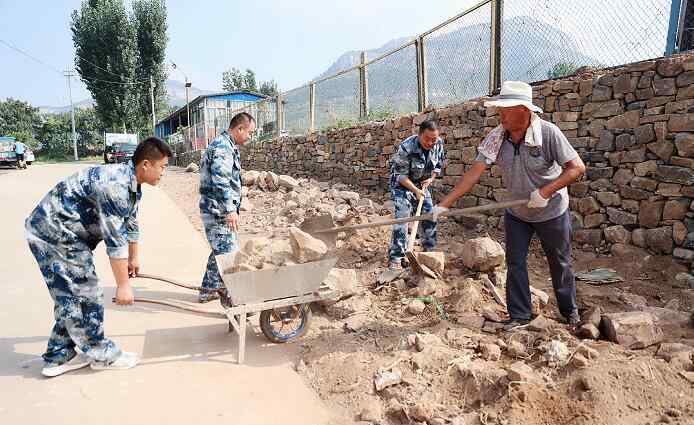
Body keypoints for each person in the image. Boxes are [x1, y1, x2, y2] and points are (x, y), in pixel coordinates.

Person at [433, 81, 586, 330]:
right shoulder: (497, 137)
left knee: (560, 262)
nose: (500, 114)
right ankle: (520, 315)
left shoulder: (548, 133)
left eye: (507, 109)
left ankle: (570, 312)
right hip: (518, 213)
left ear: (525, 111)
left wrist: (546, 191)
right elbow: (473, 174)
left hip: (551, 211)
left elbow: (577, 168)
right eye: (500, 108)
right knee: (515, 263)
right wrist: (444, 206)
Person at [25, 136, 172, 377]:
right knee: (86, 292)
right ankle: (101, 354)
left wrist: (134, 258)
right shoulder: (115, 186)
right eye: (162, 167)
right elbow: (115, 241)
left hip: (68, 234)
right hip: (53, 234)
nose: (163, 173)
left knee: (71, 294)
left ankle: (59, 354)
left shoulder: (132, 184)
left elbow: (131, 223)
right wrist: (123, 286)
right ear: (146, 164)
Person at [198, 112, 256, 303]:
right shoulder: (223, 147)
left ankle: (208, 290)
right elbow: (221, 181)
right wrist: (230, 210)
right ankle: (235, 299)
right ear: (239, 129)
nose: (249, 137)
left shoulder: (226, 144)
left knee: (220, 249)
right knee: (228, 253)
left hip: (215, 209)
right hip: (217, 211)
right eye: (249, 132)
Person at [387, 119, 446, 270]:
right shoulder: (407, 147)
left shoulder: (438, 143)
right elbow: (400, 175)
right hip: (402, 184)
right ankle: (396, 257)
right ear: (419, 134)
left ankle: (429, 252)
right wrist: (416, 191)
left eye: (434, 139)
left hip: (422, 184)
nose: (430, 143)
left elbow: (437, 167)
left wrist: (430, 180)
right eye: (427, 139)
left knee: (429, 214)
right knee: (403, 216)